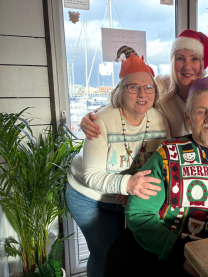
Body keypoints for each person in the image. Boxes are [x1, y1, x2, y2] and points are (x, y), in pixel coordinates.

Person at [104, 77, 208, 276]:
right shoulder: (167, 154)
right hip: (170, 257)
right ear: (188, 117)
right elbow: (140, 215)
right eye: (201, 111)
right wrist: (183, 256)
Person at [65, 46, 170, 277]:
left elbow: (162, 162)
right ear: (120, 91)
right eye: (133, 87)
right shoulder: (100, 122)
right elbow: (92, 176)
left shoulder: (161, 121)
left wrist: (129, 188)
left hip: (127, 195)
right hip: (88, 196)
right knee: (103, 252)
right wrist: (127, 185)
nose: (142, 93)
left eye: (148, 87)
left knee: (126, 252)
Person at [80, 29, 208, 139]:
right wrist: (93, 115)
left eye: (194, 59)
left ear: (202, 64)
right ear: (173, 62)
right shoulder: (159, 85)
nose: (187, 66)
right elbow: (126, 100)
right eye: (180, 58)